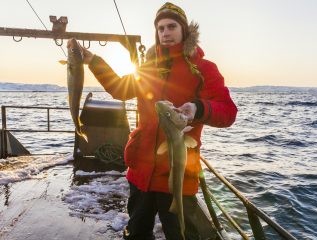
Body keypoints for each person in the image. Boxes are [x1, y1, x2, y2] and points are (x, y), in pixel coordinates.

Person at [68, 2, 237, 239]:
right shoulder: (147, 68)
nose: (165, 33)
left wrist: (197, 108)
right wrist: (94, 61)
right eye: (160, 28)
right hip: (141, 172)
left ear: (184, 30)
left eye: (171, 26)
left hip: (177, 176)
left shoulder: (203, 69)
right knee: (136, 232)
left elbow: (228, 111)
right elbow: (119, 88)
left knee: (181, 235)